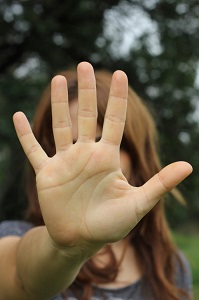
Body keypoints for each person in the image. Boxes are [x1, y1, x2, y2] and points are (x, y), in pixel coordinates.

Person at [0, 62, 193, 300]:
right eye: (68, 147)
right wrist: (65, 250)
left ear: (137, 154)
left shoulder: (171, 267)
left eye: (102, 143)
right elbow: (21, 279)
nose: (85, 166)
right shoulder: (13, 235)